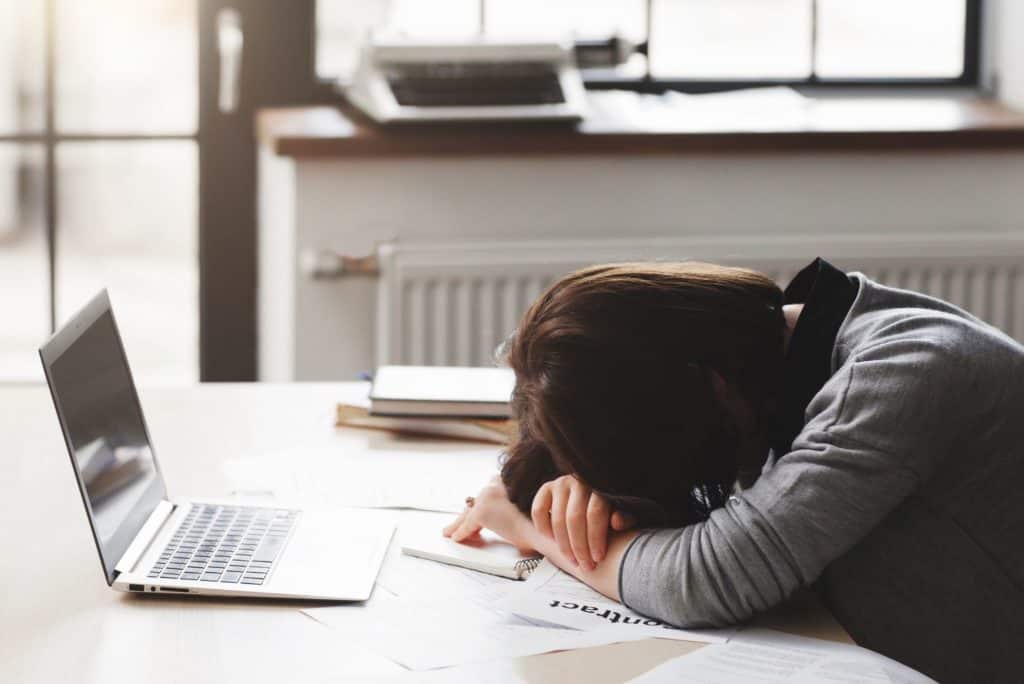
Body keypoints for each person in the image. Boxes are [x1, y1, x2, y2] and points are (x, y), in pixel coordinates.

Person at [442, 258, 1024, 683]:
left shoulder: (903, 374)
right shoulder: (766, 366)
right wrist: (568, 489)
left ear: (712, 388)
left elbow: (708, 578)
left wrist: (530, 529)